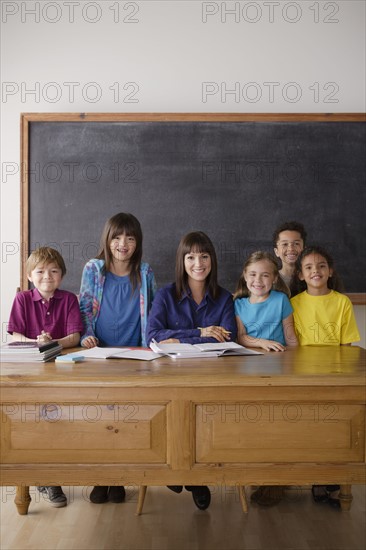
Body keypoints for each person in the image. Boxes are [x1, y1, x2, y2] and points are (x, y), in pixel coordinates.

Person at [147, 231, 237, 510]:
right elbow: (152, 335)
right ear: (182, 261)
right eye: (191, 257)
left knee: (206, 416)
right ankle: (188, 475)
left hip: (211, 376)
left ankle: (186, 474)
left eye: (204, 256)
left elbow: (227, 337)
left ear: (212, 260)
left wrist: (177, 337)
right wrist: (200, 331)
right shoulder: (165, 295)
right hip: (169, 376)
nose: (198, 263)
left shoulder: (223, 298)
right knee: (173, 412)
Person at [79, 212, 156, 504]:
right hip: (99, 353)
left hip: (135, 355)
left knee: (127, 416)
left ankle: (120, 477)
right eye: (117, 237)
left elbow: (152, 312)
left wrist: (150, 346)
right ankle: (101, 477)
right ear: (108, 240)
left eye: (131, 238)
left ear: (138, 243)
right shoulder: (94, 269)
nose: (123, 243)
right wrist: (86, 335)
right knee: (100, 416)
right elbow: (85, 305)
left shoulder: (145, 272)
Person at [8, 246, 84, 508]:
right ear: (30, 275)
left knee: (65, 419)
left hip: (64, 369)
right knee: (33, 420)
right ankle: (45, 478)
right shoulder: (22, 300)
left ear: (61, 276)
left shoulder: (69, 300)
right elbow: (14, 336)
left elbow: (75, 337)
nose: (47, 276)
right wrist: (36, 342)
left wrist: (52, 343)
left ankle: (57, 473)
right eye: (40, 271)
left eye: (54, 271)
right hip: (30, 370)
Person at [291, 245, 360, 508]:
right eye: (308, 267)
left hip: (334, 376)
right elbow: (292, 345)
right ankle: (317, 479)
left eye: (321, 266)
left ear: (330, 271)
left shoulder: (341, 302)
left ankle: (329, 476)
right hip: (303, 376)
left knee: (334, 429)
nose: (315, 271)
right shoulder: (294, 304)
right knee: (311, 431)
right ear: (300, 275)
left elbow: (347, 347)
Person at [234, 251, 298, 352]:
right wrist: (262, 343)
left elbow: (290, 336)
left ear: (274, 278)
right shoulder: (238, 305)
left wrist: (296, 356)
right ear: (245, 276)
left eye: (265, 275)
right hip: (250, 359)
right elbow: (241, 337)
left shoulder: (281, 300)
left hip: (278, 356)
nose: (258, 280)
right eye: (253, 274)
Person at [273, 221, 307, 294]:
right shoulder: (270, 278)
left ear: (304, 249)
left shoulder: (311, 276)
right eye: (285, 244)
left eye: (296, 244)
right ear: (276, 252)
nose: (291, 249)